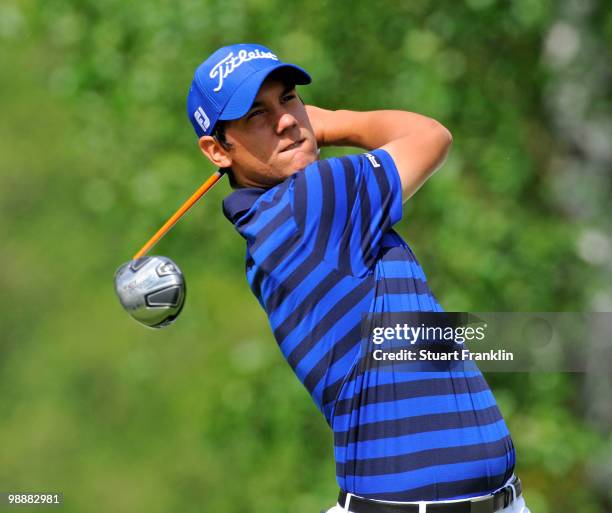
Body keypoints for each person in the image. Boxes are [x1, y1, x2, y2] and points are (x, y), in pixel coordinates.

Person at [186, 43, 531, 513]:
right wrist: (329, 124)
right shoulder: (310, 202)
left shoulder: (279, 223)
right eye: (256, 116)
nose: (286, 120)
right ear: (216, 150)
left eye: (289, 99)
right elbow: (430, 135)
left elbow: (411, 341)